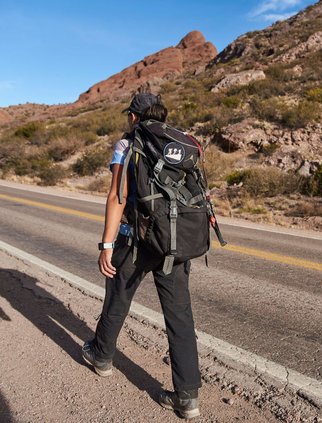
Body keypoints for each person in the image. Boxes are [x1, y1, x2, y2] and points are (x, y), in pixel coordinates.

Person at [81, 93, 202, 420]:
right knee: (179, 316)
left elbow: (117, 195)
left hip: (134, 240)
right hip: (173, 241)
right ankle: (187, 397)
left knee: (118, 297)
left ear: (134, 117)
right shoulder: (180, 143)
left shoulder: (127, 145)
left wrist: (106, 245)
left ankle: (102, 356)